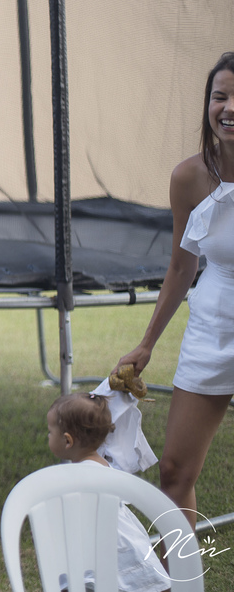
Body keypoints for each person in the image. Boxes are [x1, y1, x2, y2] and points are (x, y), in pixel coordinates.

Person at [116, 51, 234, 530]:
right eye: (220, 96)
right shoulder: (188, 177)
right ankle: (180, 584)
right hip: (213, 322)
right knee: (174, 473)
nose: (228, 108)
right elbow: (182, 267)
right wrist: (147, 343)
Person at [45, 393, 168, 592]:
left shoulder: (74, 477)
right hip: (126, 542)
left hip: (104, 550)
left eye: (50, 432)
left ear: (67, 441)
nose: (48, 436)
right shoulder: (104, 466)